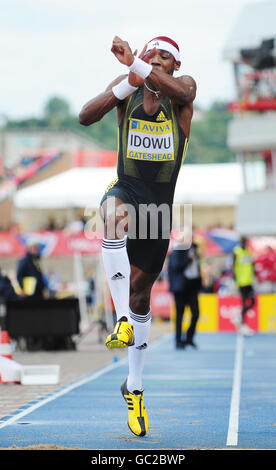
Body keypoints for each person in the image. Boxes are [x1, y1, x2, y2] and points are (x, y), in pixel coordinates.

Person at [79, 35, 196, 437]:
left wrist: (139, 66)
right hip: (126, 192)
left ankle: (135, 386)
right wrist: (127, 79)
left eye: (166, 57)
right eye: (152, 54)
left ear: (175, 65)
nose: (158, 60)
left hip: (159, 210)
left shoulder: (183, 93)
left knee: (141, 295)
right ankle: (123, 321)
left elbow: (181, 89)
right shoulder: (128, 87)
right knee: (112, 215)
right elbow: (85, 116)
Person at [168, 237, 202, 349]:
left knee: (196, 313)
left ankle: (189, 338)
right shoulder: (177, 250)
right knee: (180, 315)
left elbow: (196, 268)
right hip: (181, 288)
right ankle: (178, 341)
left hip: (192, 287)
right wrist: (189, 259)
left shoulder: (195, 249)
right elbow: (176, 267)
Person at [232, 236, 255, 335]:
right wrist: (235, 279)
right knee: (244, 302)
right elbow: (233, 266)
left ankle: (239, 318)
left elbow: (251, 264)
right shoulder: (236, 251)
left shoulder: (248, 251)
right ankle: (243, 324)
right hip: (241, 282)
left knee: (252, 302)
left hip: (249, 281)